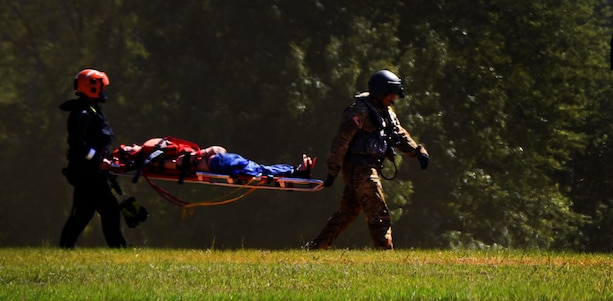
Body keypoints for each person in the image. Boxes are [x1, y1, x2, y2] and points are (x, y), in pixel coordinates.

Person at [304, 69, 430, 250]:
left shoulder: (387, 113)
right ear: (380, 91)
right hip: (360, 170)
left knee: (346, 214)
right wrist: (333, 172)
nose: (393, 100)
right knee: (379, 213)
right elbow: (341, 141)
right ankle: (385, 253)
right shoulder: (359, 112)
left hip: (370, 168)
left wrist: (418, 152)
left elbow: (399, 135)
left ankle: (316, 248)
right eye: (390, 95)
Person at [59, 69, 126, 248]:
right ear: (92, 88)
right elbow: (77, 144)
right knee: (107, 209)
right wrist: (98, 160)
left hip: (93, 172)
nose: (104, 92)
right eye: (102, 88)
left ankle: (66, 246)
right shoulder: (82, 113)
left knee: (86, 211)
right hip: (87, 173)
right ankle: (118, 247)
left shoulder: (92, 110)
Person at [112, 137, 315, 179]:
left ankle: (296, 171)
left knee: (260, 168)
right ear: (130, 155)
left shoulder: (152, 152)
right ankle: (297, 171)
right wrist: (206, 152)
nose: (131, 145)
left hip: (217, 161)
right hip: (218, 163)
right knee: (258, 170)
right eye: (128, 148)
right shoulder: (152, 159)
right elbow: (179, 163)